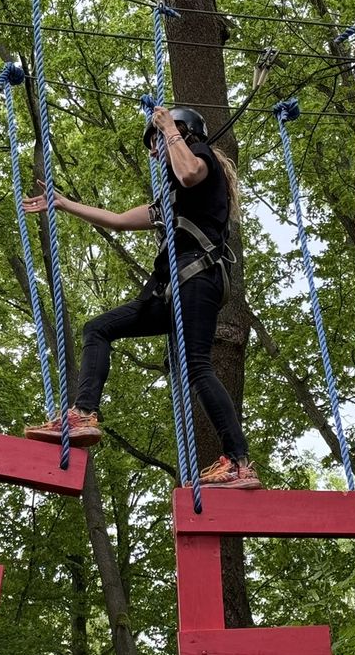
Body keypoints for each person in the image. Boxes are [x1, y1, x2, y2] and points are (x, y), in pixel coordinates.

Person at [22, 105, 260, 489]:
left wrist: (167, 129)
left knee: (197, 365)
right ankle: (83, 412)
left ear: (182, 132)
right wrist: (64, 205)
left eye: (157, 142)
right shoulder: (172, 199)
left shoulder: (201, 160)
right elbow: (117, 219)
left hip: (197, 279)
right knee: (98, 328)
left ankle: (238, 462)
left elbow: (187, 171)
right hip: (172, 291)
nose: (153, 152)